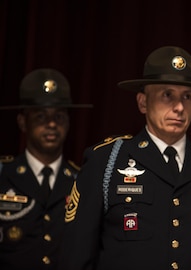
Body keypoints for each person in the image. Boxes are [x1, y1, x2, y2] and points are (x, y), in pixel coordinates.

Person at [60, 46, 191, 270]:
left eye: (187, 97)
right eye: (167, 95)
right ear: (143, 102)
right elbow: (77, 254)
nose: (179, 107)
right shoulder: (107, 160)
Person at [0, 68, 92, 270]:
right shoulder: (3, 175)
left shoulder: (83, 181)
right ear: (23, 122)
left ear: (68, 123)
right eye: (41, 117)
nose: (51, 124)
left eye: (59, 117)